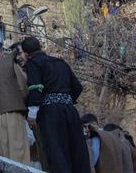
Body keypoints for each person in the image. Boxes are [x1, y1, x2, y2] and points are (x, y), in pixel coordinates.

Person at [21, 36, 90, 173]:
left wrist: (32, 113)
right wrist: (65, 100)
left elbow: (35, 87)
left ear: (26, 54)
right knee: (76, 149)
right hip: (70, 110)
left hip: (50, 113)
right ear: (40, 47)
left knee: (57, 150)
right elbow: (78, 87)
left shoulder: (32, 63)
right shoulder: (60, 62)